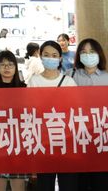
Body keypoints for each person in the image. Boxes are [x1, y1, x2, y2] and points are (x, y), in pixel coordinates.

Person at [68, 38, 108, 190]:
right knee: (80, 182)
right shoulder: (70, 76)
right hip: (77, 137)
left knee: (102, 181)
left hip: (102, 138)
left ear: (99, 54)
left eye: (92, 52)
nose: (88, 55)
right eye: (84, 52)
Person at [28, 41, 76, 191]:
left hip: (65, 141)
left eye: (54, 55)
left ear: (60, 58)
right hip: (43, 142)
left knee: (68, 184)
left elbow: (75, 111)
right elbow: (30, 111)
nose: (50, 58)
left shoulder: (69, 82)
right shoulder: (34, 81)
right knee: (45, 184)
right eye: (46, 55)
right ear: (40, 56)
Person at [0, 51, 27, 191]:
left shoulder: (24, 88)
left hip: (18, 141)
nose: (6, 68)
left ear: (16, 67)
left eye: (10, 64)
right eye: (2, 64)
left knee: (18, 185)